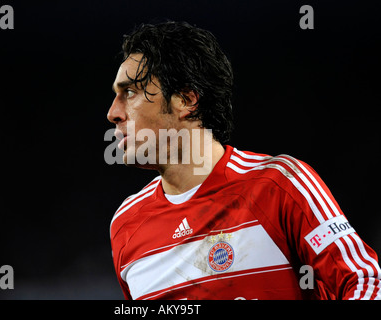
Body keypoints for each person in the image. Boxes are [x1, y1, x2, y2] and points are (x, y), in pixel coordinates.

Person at [106, 21, 381, 300]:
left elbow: (366, 282)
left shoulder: (280, 185)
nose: (113, 112)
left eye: (129, 93)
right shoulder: (126, 225)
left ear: (187, 100)